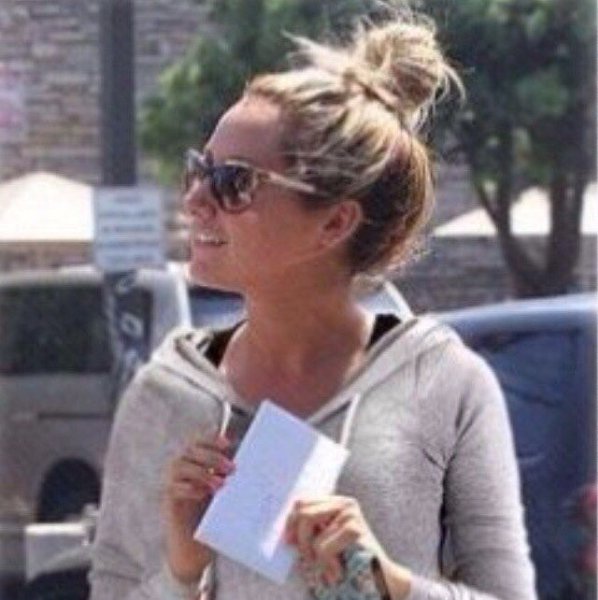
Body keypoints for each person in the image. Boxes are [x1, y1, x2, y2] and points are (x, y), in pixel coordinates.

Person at [89, 9, 538, 600]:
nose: (196, 199)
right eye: (199, 170)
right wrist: (180, 572)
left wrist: (389, 584)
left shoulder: (442, 382)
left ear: (334, 223)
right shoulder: (164, 393)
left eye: (233, 182)